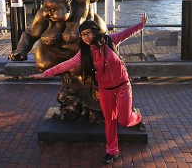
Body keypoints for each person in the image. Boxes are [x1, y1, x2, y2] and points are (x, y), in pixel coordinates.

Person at [30, 13, 148, 165]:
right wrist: (45, 74)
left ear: (95, 31)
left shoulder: (109, 41)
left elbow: (127, 33)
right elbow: (65, 65)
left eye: (87, 33)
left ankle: (136, 118)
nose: (85, 37)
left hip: (123, 86)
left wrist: (141, 25)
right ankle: (112, 151)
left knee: (124, 120)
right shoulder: (84, 53)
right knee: (110, 121)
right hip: (106, 90)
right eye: (82, 34)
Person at [8, 0, 146, 72]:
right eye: (46, 9)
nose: (48, 14)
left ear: (68, 6)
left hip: (86, 54)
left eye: (54, 10)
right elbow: (30, 34)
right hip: (57, 55)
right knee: (44, 64)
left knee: (88, 67)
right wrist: (21, 49)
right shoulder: (45, 13)